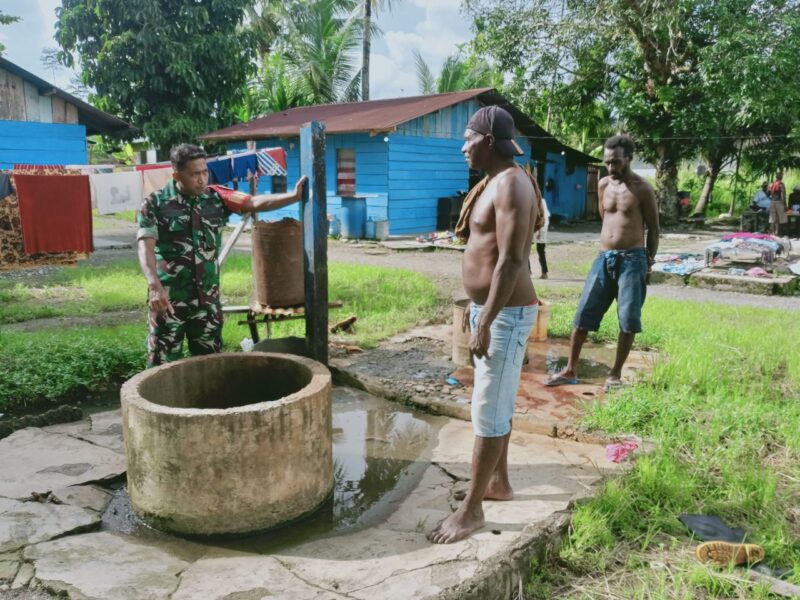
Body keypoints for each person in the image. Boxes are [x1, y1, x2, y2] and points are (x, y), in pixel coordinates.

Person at [427, 105, 543, 544]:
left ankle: (471, 510)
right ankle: (499, 483)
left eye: (468, 139)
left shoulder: (512, 184)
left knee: (487, 411)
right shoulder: (495, 181)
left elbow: (513, 259)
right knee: (495, 403)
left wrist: (486, 319)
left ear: (489, 142)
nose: (463, 147)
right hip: (494, 312)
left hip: (506, 315)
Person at [137, 143, 307, 367]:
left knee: (210, 365)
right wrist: (154, 286)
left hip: (207, 303)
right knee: (161, 366)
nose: (201, 179)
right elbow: (145, 247)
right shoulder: (155, 203)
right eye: (194, 174)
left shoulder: (217, 196)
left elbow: (253, 203)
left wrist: (294, 196)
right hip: (169, 302)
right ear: (176, 174)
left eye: (204, 171)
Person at [546, 134, 659, 391]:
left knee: (628, 319)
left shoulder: (642, 188)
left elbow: (654, 229)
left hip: (632, 260)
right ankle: (570, 369)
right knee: (583, 314)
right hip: (603, 257)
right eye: (607, 162)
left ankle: (615, 375)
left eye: (616, 162)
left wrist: (648, 263)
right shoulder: (603, 184)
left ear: (629, 159)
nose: (611, 168)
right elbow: (604, 216)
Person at [534, 196, 550, 278]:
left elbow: (543, 216)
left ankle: (544, 272)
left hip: (541, 226)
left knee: (540, 250)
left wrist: (539, 231)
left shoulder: (541, 201)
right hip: (535, 226)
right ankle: (528, 271)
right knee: (525, 250)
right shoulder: (538, 200)